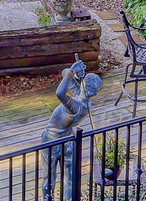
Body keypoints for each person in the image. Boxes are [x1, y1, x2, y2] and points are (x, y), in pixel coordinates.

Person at [40, 56, 102, 201]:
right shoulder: (84, 103)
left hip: (51, 141)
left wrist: (72, 72)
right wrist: (74, 71)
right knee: (69, 179)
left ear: (83, 85)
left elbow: (59, 93)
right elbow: (64, 73)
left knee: (48, 178)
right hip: (68, 141)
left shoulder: (75, 106)